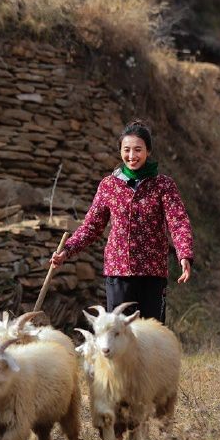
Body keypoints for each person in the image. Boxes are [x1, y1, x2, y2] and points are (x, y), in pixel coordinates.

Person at [50, 120, 193, 324]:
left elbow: (178, 221)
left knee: (150, 336)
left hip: (153, 273)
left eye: (138, 150)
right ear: (120, 151)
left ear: (148, 151)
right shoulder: (109, 185)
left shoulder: (163, 185)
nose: (132, 156)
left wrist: (184, 254)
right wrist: (68, 250)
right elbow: (92, 225)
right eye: (127, 150)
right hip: (118, 272)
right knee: (119, 337)